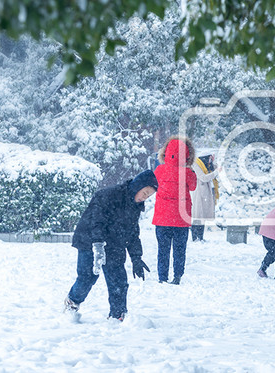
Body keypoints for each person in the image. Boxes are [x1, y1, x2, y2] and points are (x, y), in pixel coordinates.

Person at [63, 169, 158, 322]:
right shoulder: (109, 195)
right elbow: (96, 221)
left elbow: (133, 233)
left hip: (114, 244)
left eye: (148, 196)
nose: (144, 197)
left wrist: (136, 258)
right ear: (137, 186)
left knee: (118, 280)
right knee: (87, 277)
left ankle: (117, 315)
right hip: (89, 240)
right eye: (145, 192)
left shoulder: (135, 206)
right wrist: (98, 244)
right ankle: (72, 302)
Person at [152, 136, 197, 283]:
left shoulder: (159, 170)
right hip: (181, 219)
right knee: (179, 250)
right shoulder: (188, 173)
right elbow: (193, 187)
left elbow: (154, 185)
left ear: (165, 152)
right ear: (187, 155)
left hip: (162, 218)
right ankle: (177, 276)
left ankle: (162, 277)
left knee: (163, 250)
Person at [190, 152, 219, 241]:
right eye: (210, 158)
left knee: (202, 216)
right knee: (197, 216)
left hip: (204, 192)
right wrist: (216, 172)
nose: (210, 160)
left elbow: (214, 169)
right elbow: (203, 177)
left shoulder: (205, 165)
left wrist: (213, 163)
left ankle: (200, 237)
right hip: (198, 192)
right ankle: (195, 237)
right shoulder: (196, 164)